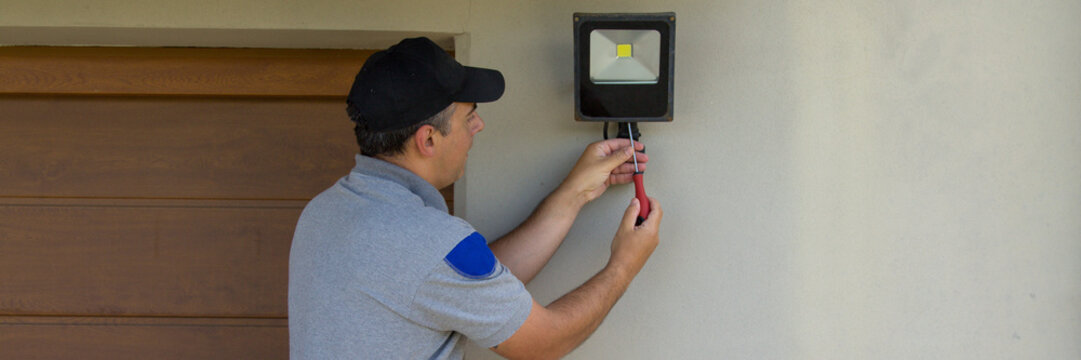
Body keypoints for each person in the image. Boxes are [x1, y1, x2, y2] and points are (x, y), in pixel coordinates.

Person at [288, 37, 663, 360]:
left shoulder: (325, 212)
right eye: (469, 115)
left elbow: (454, 283)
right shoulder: (428, 244)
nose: (478, 125)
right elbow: (544, 342)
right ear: (428, 140)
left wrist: (574, 193)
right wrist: (623, 266)